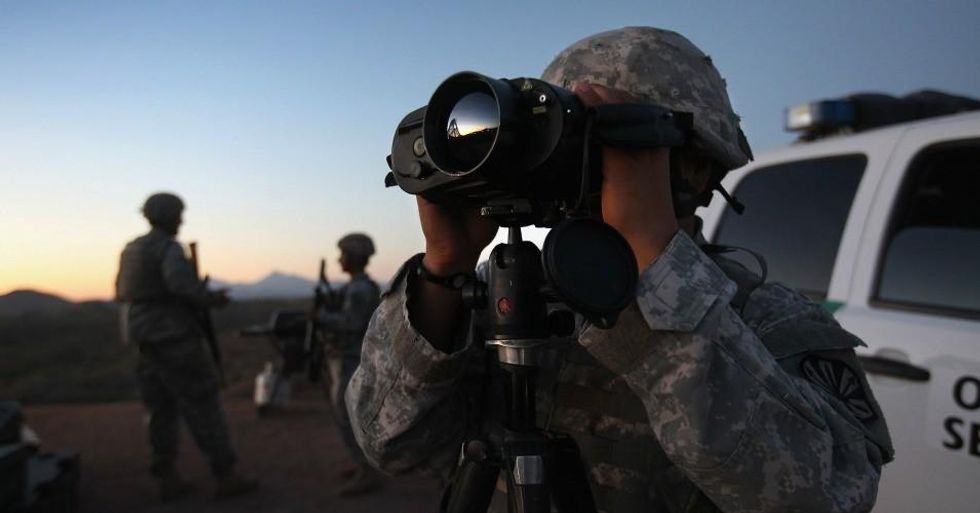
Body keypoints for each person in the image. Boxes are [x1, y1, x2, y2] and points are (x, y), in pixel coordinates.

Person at [346, 26, 895, 512]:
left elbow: (827, 497)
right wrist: (445, 273)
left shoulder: (767, 323)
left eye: (592, 139)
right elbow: (389, 444)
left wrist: (654, 264)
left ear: (695, 166)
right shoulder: (508, 298)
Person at [115, 192, 258, 501]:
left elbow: (121, 289)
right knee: (203, 404)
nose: (181, 220)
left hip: (142, 338)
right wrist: (211, 299)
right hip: (174, 339)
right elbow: (181, 286)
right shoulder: (168, 249)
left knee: (159, 409)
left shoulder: (132, 249)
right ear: (169, 216)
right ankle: (225, 475)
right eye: (178, 214)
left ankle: (166, 476)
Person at [315, 233, 382, 496]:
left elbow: (352, 324)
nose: (339, 259)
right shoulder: (358, 287)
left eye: (343, 254)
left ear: (354, 257)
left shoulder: (359, 290)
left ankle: (367, 470)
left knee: (349, 416)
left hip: (352, 360)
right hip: (349, 358)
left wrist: (320, 317)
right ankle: (361, 464)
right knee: (350, 415)